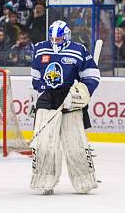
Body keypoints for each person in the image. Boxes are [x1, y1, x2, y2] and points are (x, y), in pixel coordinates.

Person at [30, 21, 101, 195]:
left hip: (70, 97)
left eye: (59, 37)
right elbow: (36, 78)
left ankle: (84, 180)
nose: (56, 40)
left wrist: (81, 92)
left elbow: (92, 76)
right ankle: (44, 179)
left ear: (67, 35)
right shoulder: (39, 48)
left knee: (75, 143)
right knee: (44, 143)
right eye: (53, 37)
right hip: (47, 97)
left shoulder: (78, 50)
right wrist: (35, 97)